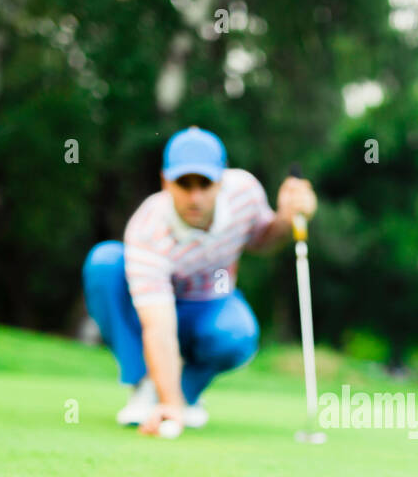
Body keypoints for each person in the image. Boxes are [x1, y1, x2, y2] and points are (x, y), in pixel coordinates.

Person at [82, 126, 317, 437]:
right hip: (152, 311)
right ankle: (145, 386)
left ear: (221, 180)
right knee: (105, 263)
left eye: (204, 183)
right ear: (166, 181)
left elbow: (263, 240)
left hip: (210, 301)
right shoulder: (148, 228)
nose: (195, 197)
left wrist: (288, 219)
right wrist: (170, 403)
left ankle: (183, 393)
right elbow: (158, 326)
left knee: (238, 333)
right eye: (184, 183)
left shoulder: (244, 193)